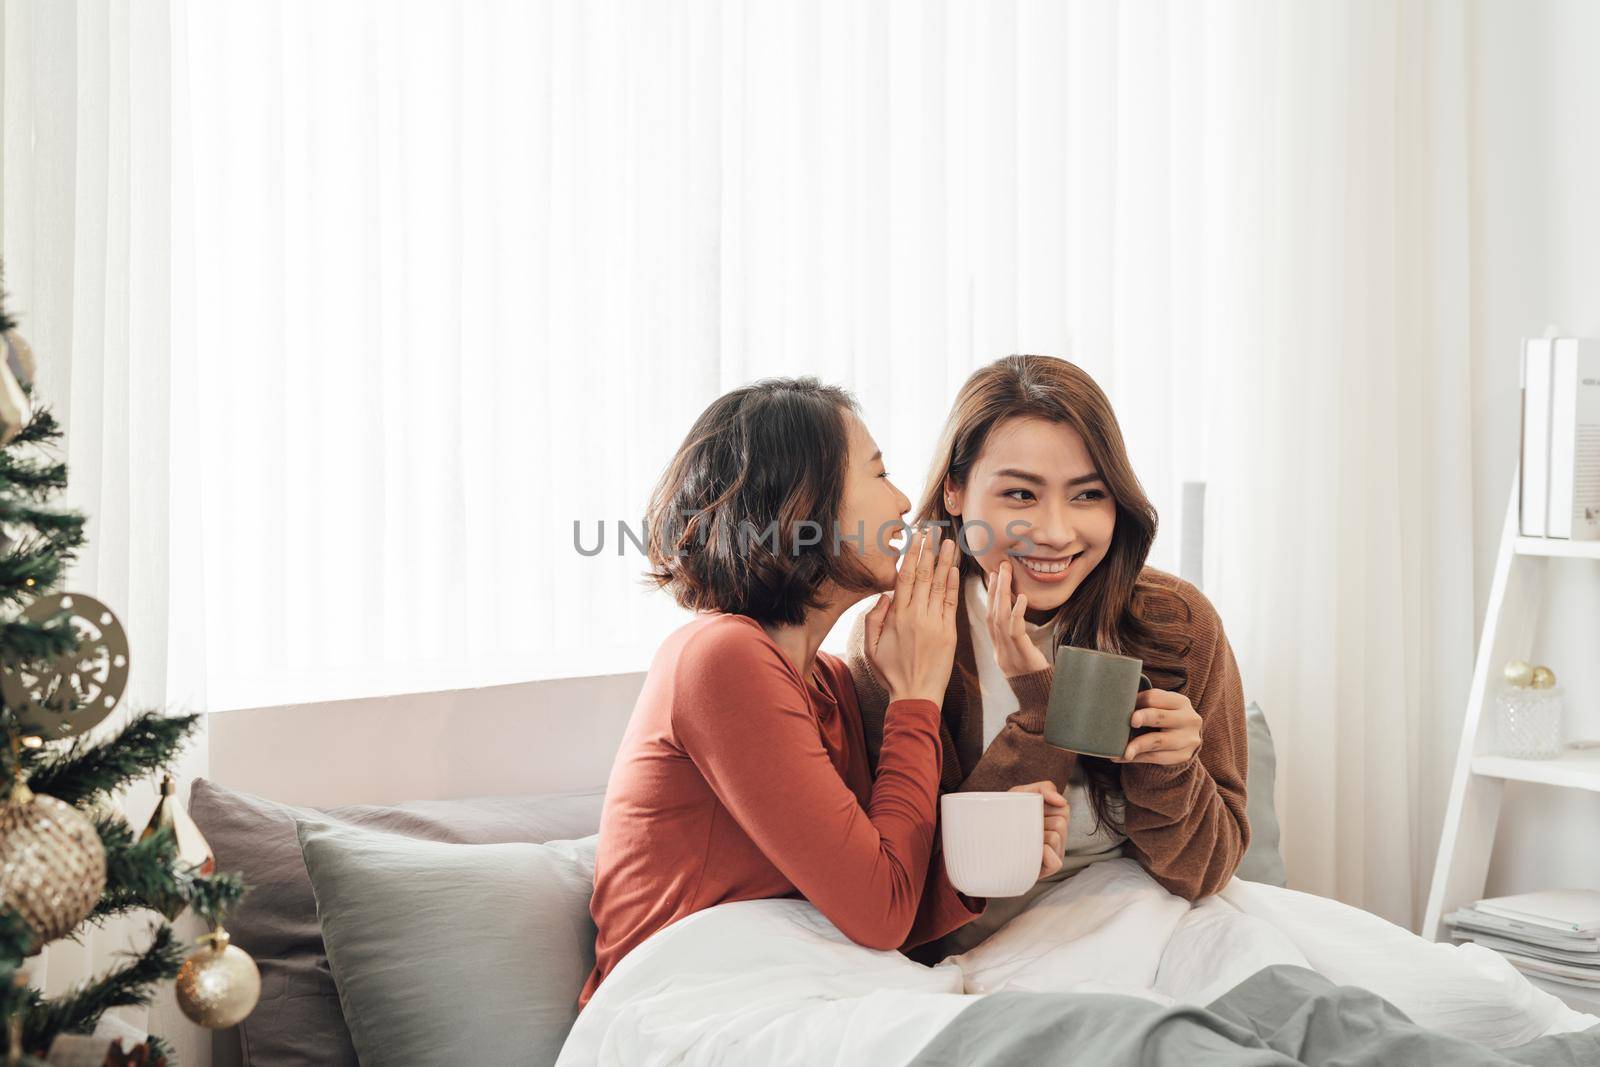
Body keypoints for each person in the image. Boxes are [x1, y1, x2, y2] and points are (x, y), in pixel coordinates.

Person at [580, 377, 1064, 1008]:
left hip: (797, 983)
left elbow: (885, 902)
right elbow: (881, 913)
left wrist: (991, 855)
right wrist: (916, 695)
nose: (902, 504)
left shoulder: (830, 684)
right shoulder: (719, 657)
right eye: (879, 472)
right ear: (802, 501)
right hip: (688, 1002)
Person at [847, 354, 1249, 957]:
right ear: (955, 491)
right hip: (980, 946)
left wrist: (1165, 768)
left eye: (1088, 494)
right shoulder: (901, 636)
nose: (1057, 532)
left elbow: (1202, 874)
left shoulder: (1175, 622)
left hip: (1155, 926)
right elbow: (916, 885)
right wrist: (1040, 709)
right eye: (1019, 494)